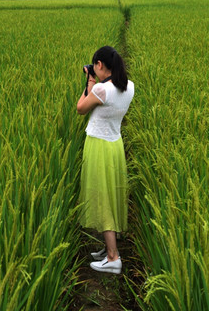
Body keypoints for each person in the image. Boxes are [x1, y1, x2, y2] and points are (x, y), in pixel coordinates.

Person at [76, 46, 134, 274]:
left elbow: (80, 108)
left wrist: (89, 84)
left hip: (99, 146)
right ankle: (108, 248)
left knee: (102, 198)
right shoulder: (129, 87)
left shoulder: (101, 89)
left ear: (99, 65)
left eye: (95, 66)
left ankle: (113, 258)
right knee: (112, 194)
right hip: (115, 146)